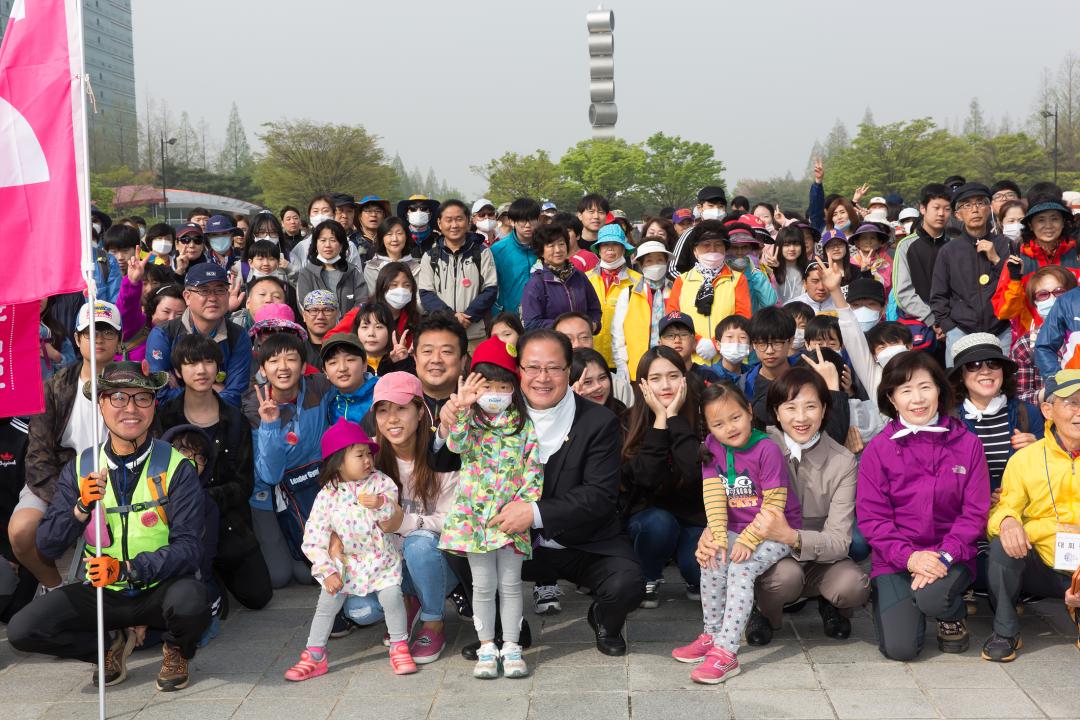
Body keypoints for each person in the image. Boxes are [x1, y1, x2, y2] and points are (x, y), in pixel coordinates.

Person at [8, 362, 210, 692]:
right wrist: (79, 508)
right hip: (103, 593)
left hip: (157, 588)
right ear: (100, 404)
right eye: (117, 397)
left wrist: (126, 568)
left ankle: (176, 649)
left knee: (192, 599)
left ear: (153, 405)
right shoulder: (82, 467)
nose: (130, 408)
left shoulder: (177, 466)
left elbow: (190, 549)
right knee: (24, 629)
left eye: (142, 398)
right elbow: (46, 545)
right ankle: (106, 647)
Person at [496, 330, 644, 656]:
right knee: (456, 549)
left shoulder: (598, 421)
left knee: (628, 584)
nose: (542, 378)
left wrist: (533, 512)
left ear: (568, 372)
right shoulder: (497, 414)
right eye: (532, 368)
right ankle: (506, 628)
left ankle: (604, 619)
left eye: (554, 368)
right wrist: (447, 431)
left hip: (585, 542)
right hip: (518, 544)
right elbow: (449, 462)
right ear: (518, 369)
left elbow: (599, 496)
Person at [857, 351, 991, 661]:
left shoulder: (967, 444)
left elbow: (974, 513)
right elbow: (872, 518)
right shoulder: (878, 449)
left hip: (951, 554)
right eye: (905, 390)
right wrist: (910, 557)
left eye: (925, 387)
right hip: (896, 558)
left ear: (940, 390)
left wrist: (944, 556)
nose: (917, 399)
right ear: (891, 398)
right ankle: (911, 600)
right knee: (900, 650)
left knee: (932, 598)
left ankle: (951, 612)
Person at [672, 382, 799, 684]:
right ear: (708, 428)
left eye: (735, 418)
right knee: (713, 558)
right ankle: (712, 634)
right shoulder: (712, 450)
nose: (729, 428)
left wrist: (749, 540)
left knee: (741, 568)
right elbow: (714, 496)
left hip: (775, 529)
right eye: (718, 423)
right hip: (735, 528)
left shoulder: (766, 448)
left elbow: (774, 504)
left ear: (749, 413)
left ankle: (727, 653)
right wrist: (717, 535)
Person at [437, 337, 542, 679]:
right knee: (483, 586)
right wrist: (464, 407)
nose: (496, 392)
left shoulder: (523, 425)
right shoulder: (471, 423)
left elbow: (533, 469)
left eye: (503, 385)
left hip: (511, 521)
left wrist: (523, 506)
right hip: (474, 521)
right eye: (488, 386)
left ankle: (511, 646)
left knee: (511, 585)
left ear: (513, 387)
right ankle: (486, 646)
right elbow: (455, 444)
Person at [284, 418, 417, 680]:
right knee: (327, 602)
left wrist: (380, 503)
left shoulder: (380, 483)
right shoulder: (327, 495)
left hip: (382, 559)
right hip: (344, 562)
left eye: (369, 454)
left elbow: (393, 511)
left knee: (391, 598)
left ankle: (399, 644)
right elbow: (314, 537)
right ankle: (315, 654)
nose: (368, 460)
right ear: (338, 461)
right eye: (359, 455)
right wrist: (325, 570)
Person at [744, 368, 869, 645]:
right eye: (790, 407)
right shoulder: (759, 447)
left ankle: (831, 604)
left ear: (825, 410)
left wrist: (792, 537)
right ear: (776, 412)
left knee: (854, 585)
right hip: (773, 560)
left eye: (811, 406)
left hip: (821, 559)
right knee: (785, 578)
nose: (801, 418)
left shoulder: (843, 461)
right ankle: (763, 612)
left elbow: (839, 541)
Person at [343, 373, 459, 664]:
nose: (391, 419)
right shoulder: (365, 454)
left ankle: (433, 621)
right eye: (383, 410)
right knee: (361, 611)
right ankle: (408, 602)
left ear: (420, 411)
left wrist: (404, 523)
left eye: (401, 408)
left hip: (438, 562)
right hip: (387, 566)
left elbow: (455, 520)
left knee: (419, 544)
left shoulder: (444, 455)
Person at [158, 333, 271, 611]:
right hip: (179, 526)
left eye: (208, 362)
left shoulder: (235, 420)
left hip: (229, 523)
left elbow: (244, 484)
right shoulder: (165, 417)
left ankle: (215, 574)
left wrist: (204, 500)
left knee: (259, 596)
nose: (201, 370)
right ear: (177, 371)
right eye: (192, 363)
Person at [16, 300, 120, 591]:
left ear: (120, 340)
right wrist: (68, 500)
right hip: (62, 481)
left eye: (108, 332)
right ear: (77, 338)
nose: (98, 339)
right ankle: (56, 589)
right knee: (22, 531)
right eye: (89, 332)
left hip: (118, 483)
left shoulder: (133, 384)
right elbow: (38, 455)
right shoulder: (54, 386)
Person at [981, 369, 1080, 662]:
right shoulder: (1026, 458)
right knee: (1003, 544)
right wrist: (1009, 520)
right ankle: (1005, 630)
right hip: (1045, 566)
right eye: (1072, 403)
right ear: (1048, 410)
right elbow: (1005, 506)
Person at [243, 333, 332, 588]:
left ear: (304, 367)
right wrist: (270, 426)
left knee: (308, 574)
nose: (283, 368)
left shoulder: (318, 387)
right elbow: (270, 474)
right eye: (273, 361)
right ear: (263, 369)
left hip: (310, 487)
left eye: (291, 359)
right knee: (279, 577)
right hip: (269, 496)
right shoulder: (253, 405)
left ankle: (296, 547)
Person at [621, 347, 706, 608]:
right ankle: (648, 575)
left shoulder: (703, 419)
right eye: (656, 378)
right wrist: (660, 420)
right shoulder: (627, 422)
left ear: (684, 377)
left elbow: (694, 472)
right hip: (649, 517)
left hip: (695, 518)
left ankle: (694, 576)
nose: (666, 385)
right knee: (659, 524)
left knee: (696, 568)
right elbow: (646, 478)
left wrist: (674, 418)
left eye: (673, 375)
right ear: (643, 384)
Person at [146, 264, 253, 408]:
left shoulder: (238, 336)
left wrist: (182, 391)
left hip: (222, 421)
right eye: (204, 291)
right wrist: (214, 391)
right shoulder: (164, 334)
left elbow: (236, 395)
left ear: (227, 295)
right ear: (187, 297)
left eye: (220, 290)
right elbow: (162, 394)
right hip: (174, 421)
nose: (213, 298)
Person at [931, 183, 1011, 366]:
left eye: (980, 203)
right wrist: (948, 327)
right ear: (958, 214)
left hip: (1001, 329)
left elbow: (1014, 286)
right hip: (961, 331)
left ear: (989, 208)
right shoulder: (949, 251)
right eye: (966, 205)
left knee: (1003, 384)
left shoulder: (1005, 244)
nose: (975, 209)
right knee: (957, 386)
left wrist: (996, 260)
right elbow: (938, 294)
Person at [993, 194, 1079, 346]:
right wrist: (1015, 280)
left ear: (1063, 223)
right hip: (1032, 342)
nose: (1048, 225)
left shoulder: (1076, 254)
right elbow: (1005, 312)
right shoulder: (1018, 259)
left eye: (1054, 218)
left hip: (1074, 340)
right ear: (1031, 225)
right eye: (1041, 219)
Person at [666, 221, 752, 365]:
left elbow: (743, 318)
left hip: (729, 360)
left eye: (718, 244)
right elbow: (673, 317)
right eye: (706, 245)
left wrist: (715, 344)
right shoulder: (682, 280)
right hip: (691, 360)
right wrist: (696, 342)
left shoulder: (738, 279)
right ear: (695, 250)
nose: (712, 249)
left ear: (725, 249)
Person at [418, 200, 498, 346]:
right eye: (448, 220)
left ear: (468, 222)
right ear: (439, 223)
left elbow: (490, 289)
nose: (454, 225)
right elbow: (426, 293)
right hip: (442, 335)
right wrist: (451, 317)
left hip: (475, 334)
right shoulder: (430, 256)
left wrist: (468, 316)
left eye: (459, 219)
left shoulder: (482, 253)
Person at [893, 183, 954, 339]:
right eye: (936, 208)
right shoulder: (906, 245)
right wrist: (934, 319)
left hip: (954, 324)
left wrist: (949, 321)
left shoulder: (955, 245)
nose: (941, 214)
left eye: (947, 209)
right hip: (921, 326)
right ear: (923, 209)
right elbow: (903, 293)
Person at [1010, 266, 1077, 404]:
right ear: (1035, 303)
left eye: (1060, 292)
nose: (1054, 300)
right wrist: (1056, 391)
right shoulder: (1026, 345)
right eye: (1043, 294)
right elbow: (1019, 398)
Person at [520, 224, 602, 331]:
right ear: (541, 251)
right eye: (551, 245)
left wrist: (593, 325)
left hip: (580, 343)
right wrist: (567, 327)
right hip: (553, 345)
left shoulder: (579, 276)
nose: (558, 250)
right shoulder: (536, 283)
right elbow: (531, 323)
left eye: (561, 244)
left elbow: (595, 310)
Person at [611, 240, 674, 381]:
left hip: (671, 365)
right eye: (649, 261)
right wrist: (622, 364)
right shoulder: (628, 293)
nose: (655, 265)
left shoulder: (676, 290)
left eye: (659, 260)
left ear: (666, 262)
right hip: (638, 366)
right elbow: (618, 332)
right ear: (640, 265)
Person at [587, 224, 641, 367]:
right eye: (605, 245)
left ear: (624, 248)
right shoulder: (585, 279)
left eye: (615, 244)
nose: (610, 249)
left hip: (624, 358)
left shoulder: (638, 280)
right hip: (591, 355)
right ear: (599, 249)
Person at [297, 219, 368, 315]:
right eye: (322, 240)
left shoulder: (353, 272)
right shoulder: (306, 273)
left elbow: (362, 302)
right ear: (315, 244)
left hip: (349, 328)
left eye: (333, 240)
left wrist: (344, 325)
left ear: (342, 245)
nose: (327, 245)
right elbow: (304, 305)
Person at [491, 198, 541, 316]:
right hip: (510, 316)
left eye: (532, 219)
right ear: (512, 222)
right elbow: (490, 287)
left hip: (540, 315)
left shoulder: (545, 247)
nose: (528, 225)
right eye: (523, 220)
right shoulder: (497, 250)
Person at [322, 332, 380, 421]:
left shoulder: (381, 394)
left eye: (350, 360)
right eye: (333, 362)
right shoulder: (326, 402)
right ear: (325, 372)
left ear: (364, 365)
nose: (342, 368)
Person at [350, 303, 416, 377]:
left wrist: (401, 363)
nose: (371, 333)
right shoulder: (350, 363)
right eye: (365, 327)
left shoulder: (404, 360)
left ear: (389, 330)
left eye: (378, 327)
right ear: (356, 331)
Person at [363, 217, 421, 294]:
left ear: (406, 237)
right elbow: (373, 298)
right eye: (389, 234)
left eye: (399, 233)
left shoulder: (416, 267)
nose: (394, 239)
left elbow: (419, 298)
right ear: (382, 238)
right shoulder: (372, 267)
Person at [570, 347, 629, 420]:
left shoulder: (620, 409)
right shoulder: (563, 418)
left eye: (602, 378)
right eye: (587, 382)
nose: (598, 386)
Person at [764, 225, 810, 305]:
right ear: (779, 246)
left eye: (796, 244)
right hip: (779, 315)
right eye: (786, 245)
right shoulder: (770, 270)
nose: (792, 249)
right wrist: (771, 270)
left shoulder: (809, 269)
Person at [300, 290, 341, 369]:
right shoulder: (297, 349)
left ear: (337, 314)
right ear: (304, 315)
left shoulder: (348, 346)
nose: (320, 317)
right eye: (314, 310)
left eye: (327, 310)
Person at [849, 222, 893, 294]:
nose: (868, 241)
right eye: (864, 238)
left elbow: (883, 286)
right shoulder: (850, 262)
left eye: (872, 238)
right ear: (857, 243)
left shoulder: (883, 264)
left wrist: (868, 271)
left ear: (879, 243)